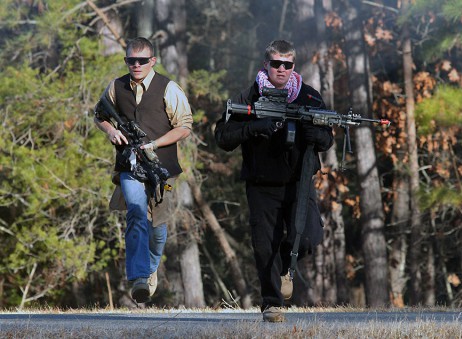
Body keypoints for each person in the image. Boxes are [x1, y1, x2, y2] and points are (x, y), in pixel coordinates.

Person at [215, 40, 333, 322]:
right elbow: (223, 136)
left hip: (299, 182)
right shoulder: (248, 97)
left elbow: (327, 138)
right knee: (264, 245)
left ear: (294, 67)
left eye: (287, 65)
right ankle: (272, 303)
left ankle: (285, 267)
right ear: (265, 65)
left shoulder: (309, 97)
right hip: (261, 183)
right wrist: (255, 127)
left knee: (307, 237)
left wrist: (316, 136)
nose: (281, 69)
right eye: (276, 64)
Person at [94, 37, 193, 304]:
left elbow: (185, 126)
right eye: (131, 60)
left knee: (158, 226)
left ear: (153, 61)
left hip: (163, 169)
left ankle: (150, 269)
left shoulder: (168, 88)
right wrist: (111, 131)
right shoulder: (116, 87)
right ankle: (139, 278)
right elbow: (99, 115)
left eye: (141, 60)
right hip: (129, 166)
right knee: (136, 213)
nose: (136, 65)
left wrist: (155, 143)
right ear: (126, 60)